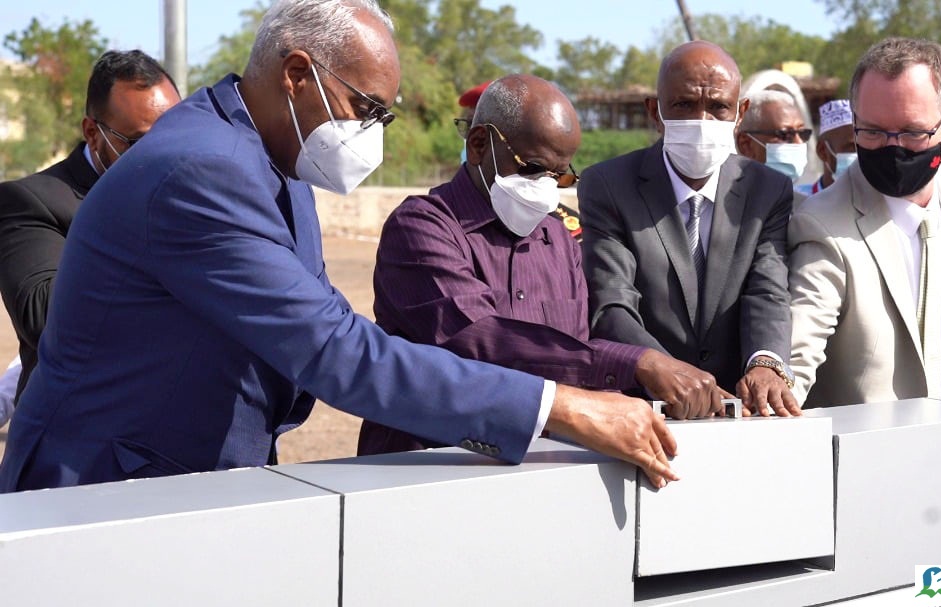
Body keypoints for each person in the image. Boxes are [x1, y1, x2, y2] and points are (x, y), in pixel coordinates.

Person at [0, 0, 678, 493]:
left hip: (179, 478)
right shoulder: (201, 170)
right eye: (369, 108)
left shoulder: (273, 162)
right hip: (101, 486)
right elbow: (333, 350)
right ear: (298, 73)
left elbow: (332, 326)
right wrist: (558, 406)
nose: (374, 133)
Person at [358, 74, 733, 455]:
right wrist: (636, 362)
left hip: (537, 470)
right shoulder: (422, 227)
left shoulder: (560, 240)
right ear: (477, 145)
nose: (545, 188)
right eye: (532, 168)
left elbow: (573, 355)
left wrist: (660, 394)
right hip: (427, 468)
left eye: (560, 175)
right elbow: (480, 344)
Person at [787, 37, 941, 408]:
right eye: (872, 132)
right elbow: (799, 347)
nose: (893, 147)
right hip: (875, 454)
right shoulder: (821, 222)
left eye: (912, 132)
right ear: (854, 123)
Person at [580, 41, 800, 417]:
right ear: (655, 111)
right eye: (684, 105)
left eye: (717, 107)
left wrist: (765, 362)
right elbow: (612, 301)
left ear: (740, 113)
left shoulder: (767, 190)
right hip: (643, 409)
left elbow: (767, 288)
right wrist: (668, 374)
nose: (702, 121)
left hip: (739, 410)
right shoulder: (608, 185)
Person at [0, 50, 181, 404]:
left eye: (175, 135)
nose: (164, 154)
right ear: (92, 133)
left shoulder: (193, 193)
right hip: (80, 440)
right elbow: (43, 317)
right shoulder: (31, 200)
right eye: (140, 142)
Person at [453, 80, 584, 242]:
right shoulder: (438, 221)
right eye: (468, 126)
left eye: (534, 167)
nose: (472, 140)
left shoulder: (564, 234)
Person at [735, 89, 811, 187]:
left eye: (802, 133)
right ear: (746, 145)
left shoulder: (809, 201)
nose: (799, 142)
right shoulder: (721, 199)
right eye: (785, 134)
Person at [795, 98, 856, 197]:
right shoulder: (796, 204)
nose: (861, 155)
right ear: (822, 151)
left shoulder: (880, 203)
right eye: (852, 148)